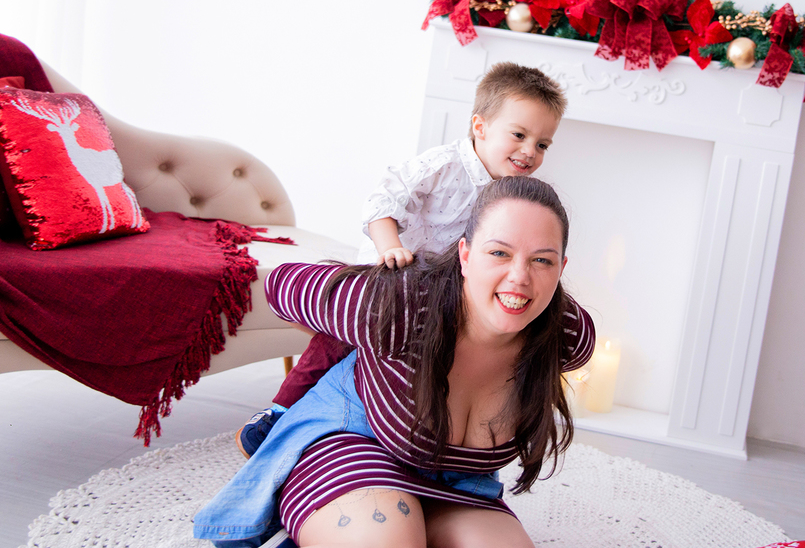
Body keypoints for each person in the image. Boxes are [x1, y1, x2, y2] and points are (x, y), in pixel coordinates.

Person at [193, 176, 595, 548]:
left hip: (456, 486)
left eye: (542, 260)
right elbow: (282, 285)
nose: (519, 277)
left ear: (561, 268)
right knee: (389, 537)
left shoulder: (566, 336)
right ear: (465, 255)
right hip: (354, 449)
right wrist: (348, 327)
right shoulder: (401, 304)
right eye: (499, 253)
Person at [236, 63, 568, 458]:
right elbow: (382, 200)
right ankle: (279, 411)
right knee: (340, 342)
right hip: (395, 272)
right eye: (519, 135)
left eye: (542, 144)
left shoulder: (510, 194)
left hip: (441, 291)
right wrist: (390, 247)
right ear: (480, 127)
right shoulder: (443, 166)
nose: (530, 151)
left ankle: (420, 434)